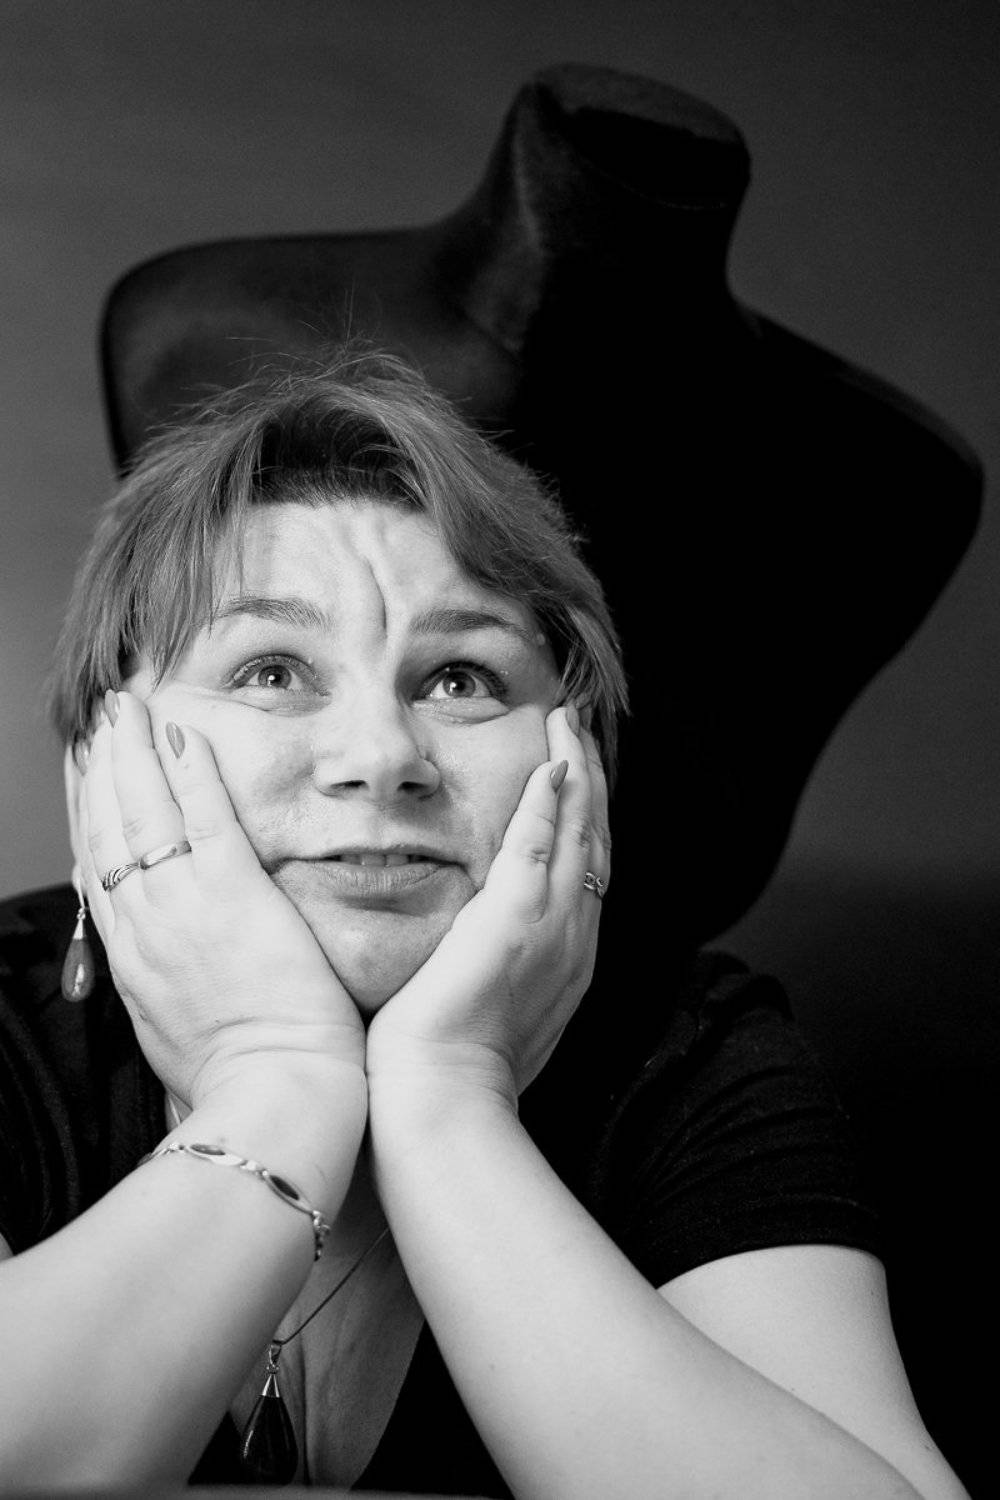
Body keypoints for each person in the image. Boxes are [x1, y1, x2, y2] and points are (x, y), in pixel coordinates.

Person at [0, 354, 967, 1497]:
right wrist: (274, 1079)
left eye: (460, 679)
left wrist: (451, 1098)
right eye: (271, 670)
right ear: (102, 760)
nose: (381, 758)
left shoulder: (685, 1049)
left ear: (577, 760)